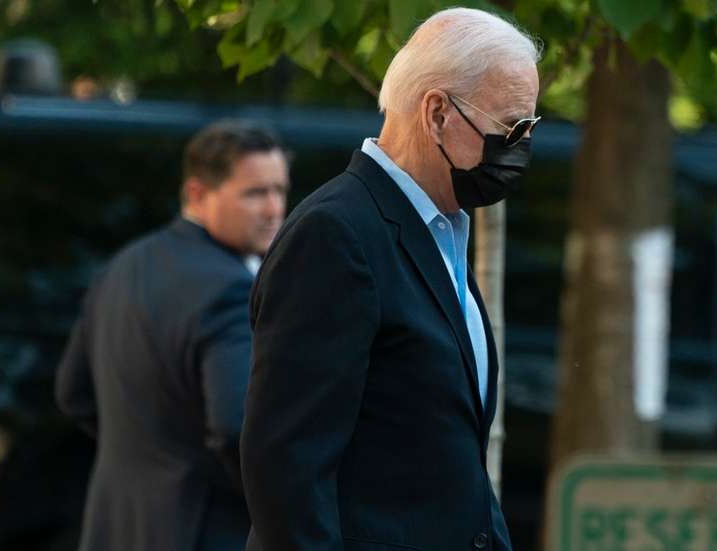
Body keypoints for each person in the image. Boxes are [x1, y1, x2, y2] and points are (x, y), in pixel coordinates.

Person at [240, 7, 540, 551]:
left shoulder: (441, 231)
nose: (519, 150)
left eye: (529, 130)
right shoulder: (336, 234)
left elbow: (451, 458)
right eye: (510, 129)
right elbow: (286, 468)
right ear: (437, 114)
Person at [55, 120, 290, 551]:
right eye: (256, 193)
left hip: (114, 528)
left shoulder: (121, 267)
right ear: (198, 194)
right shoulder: (230, 287)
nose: (275, 209)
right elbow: (236, 427)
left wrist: (152, 452)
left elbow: (73, 395)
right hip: (201, 529)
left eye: (280, 190)